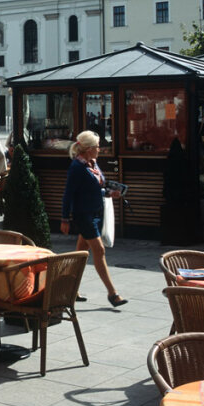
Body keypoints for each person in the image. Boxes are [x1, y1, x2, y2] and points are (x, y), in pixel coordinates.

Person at [60, 130, 126, 307]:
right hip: (84, 215)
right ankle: (113, 293)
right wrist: (65, 218)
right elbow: (68, 195)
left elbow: (98, 188)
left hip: (95, 213)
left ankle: (69, 289)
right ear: (88, 149)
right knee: (99, 250)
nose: (100, 149)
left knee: (80, 254)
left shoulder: (92, 165)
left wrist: (111, 193)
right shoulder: (76, 168)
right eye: (97, 146)